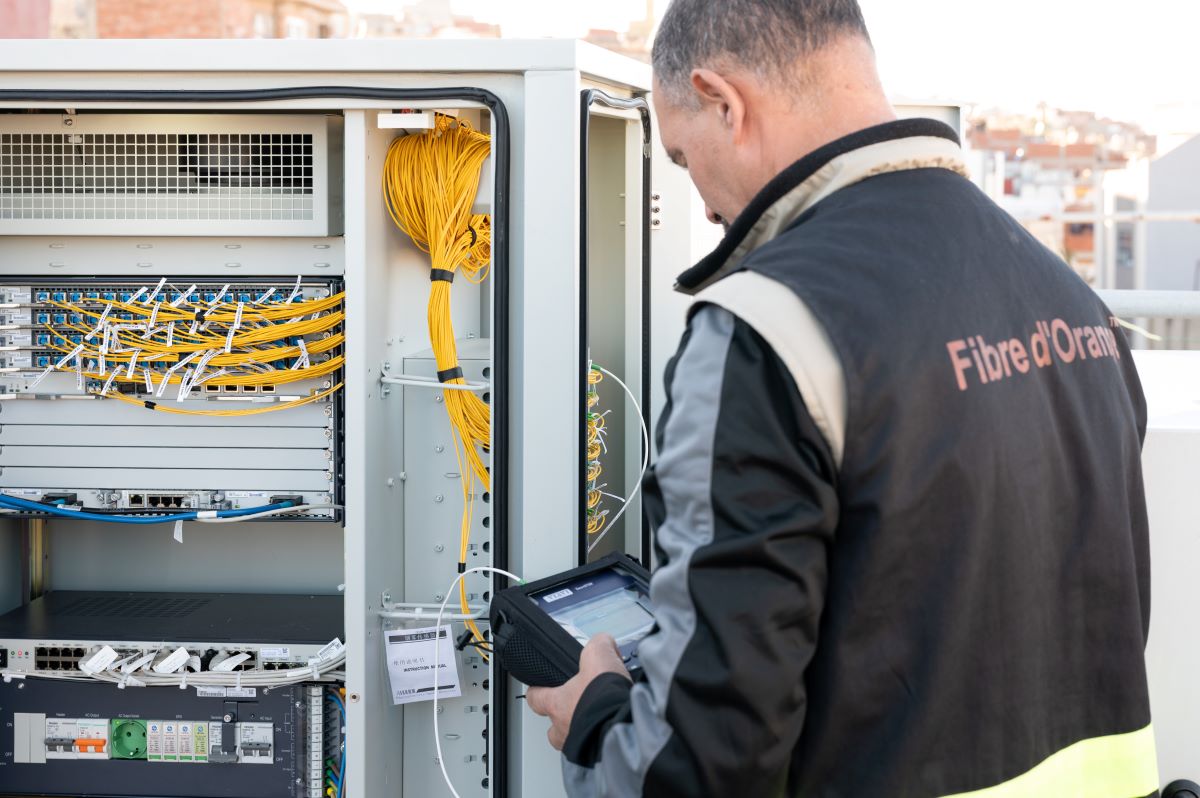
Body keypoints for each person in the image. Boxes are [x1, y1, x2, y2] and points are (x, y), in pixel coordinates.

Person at [527, 0, 1159, 795]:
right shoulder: (1069, 299)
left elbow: (699, 769)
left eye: (685, 161)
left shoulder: (768, 330)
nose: (707, 209)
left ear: (725, 101)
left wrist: (594, 718)